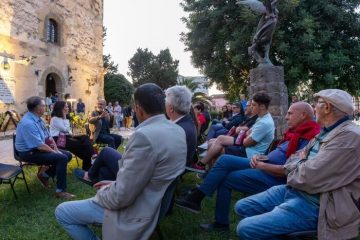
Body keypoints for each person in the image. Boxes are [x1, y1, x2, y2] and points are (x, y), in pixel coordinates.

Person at [55, 83, 187, 240]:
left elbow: (121, 197)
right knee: (108, 157)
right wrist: (115, 185)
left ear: (138, 108)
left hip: (137, 210)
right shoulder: (177, 130)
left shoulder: (144, 136)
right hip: (155, 201)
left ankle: (91, 176)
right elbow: (151, 176)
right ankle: (94, 174)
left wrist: (105, 191)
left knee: (62, 212)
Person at [175, 102, 320, 232]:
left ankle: (201, 199)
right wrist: (261, 158)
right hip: (263, 162)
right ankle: (205, 205)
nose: (286, 117)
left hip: (274, 175)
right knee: (224, 162)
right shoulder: (295, 133)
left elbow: (291, 170)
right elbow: (277, 153)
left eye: (290, 113)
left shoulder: (309, 138)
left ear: (303, 115)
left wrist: (262, 165)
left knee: (225, 166)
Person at [235, 89, 360, 239]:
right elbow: (293, 158)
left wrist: (296, 165)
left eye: (316, 104)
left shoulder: (349, 137)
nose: (314, 109)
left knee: (245, 228)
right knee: (242, 206)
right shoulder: (326, 131)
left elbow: (309, 176)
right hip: (294, 189)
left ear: (326, 107)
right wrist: (300, 162)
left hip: (316, 204)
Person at [15, 96, 74, 199]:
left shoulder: (38, 119)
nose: (45, 107)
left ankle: (44, 175)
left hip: (37, 148)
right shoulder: (28, 123)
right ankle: (61, 191)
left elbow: (49, 137)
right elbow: (39, 146)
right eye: (43, 105)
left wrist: (56, 150)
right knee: (61, 158)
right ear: (38, 108)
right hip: (28, 152)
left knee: (67, 155)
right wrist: (56, 153)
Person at [190, 100, 258, 172]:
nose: (246, 108)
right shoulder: (250, 118)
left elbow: (236, 129)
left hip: (241, 145)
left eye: (249, 105)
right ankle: (207, 170)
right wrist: (236, 127)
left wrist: (237, 128)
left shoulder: (250, 119)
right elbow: (235, 127)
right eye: (247, 106)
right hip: (235, 137)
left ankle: (202, 164)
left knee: (218, 135)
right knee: (212, 139)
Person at [50, 101, 94, 171]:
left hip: (67, 137)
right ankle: (88, 165)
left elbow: (69, 132)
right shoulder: (54, 119)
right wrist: (65, 117)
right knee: (82, 146)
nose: (68, 108)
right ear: (61, 109)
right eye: (66, 107)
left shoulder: (63, 118)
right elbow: (65, 129)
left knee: (85, 137)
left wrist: (65, 119)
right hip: (59, 140)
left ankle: (93, 156)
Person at [165, 86, 198, 166]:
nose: (164, 104)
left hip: (175, 169)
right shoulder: (186, 121)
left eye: (165, 101)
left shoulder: (177, 130)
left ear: (171, 108)